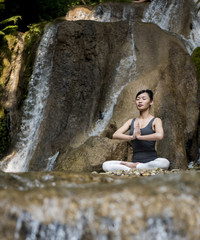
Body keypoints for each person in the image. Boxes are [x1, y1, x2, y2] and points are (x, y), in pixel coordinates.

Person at [102, 89, 170, 172]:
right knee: (106, 165)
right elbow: (115, 135)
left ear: (151, 102)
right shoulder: (131, 121)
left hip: (152, 162)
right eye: (138, 99)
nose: (140, 101)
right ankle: (135, 167)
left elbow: (159, 135)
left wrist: (140, 137)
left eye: (144, 99)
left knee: (164, 163)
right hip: (134, 161)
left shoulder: (156, 120)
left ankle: (136, 167)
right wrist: (132, 137)